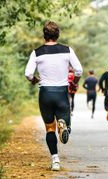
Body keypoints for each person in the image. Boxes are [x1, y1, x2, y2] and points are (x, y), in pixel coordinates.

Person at [24, 21, 83, 171]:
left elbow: (28, 74)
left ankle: (55, 160)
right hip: (62, 92)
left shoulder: (36, 52)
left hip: (45, 93)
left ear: (44, 35)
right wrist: (74, 83)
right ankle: (64, 125)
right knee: (65, 121)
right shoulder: (67, 50)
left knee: (50, 128)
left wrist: (35, 80)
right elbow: (79, 70)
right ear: (58, 34)